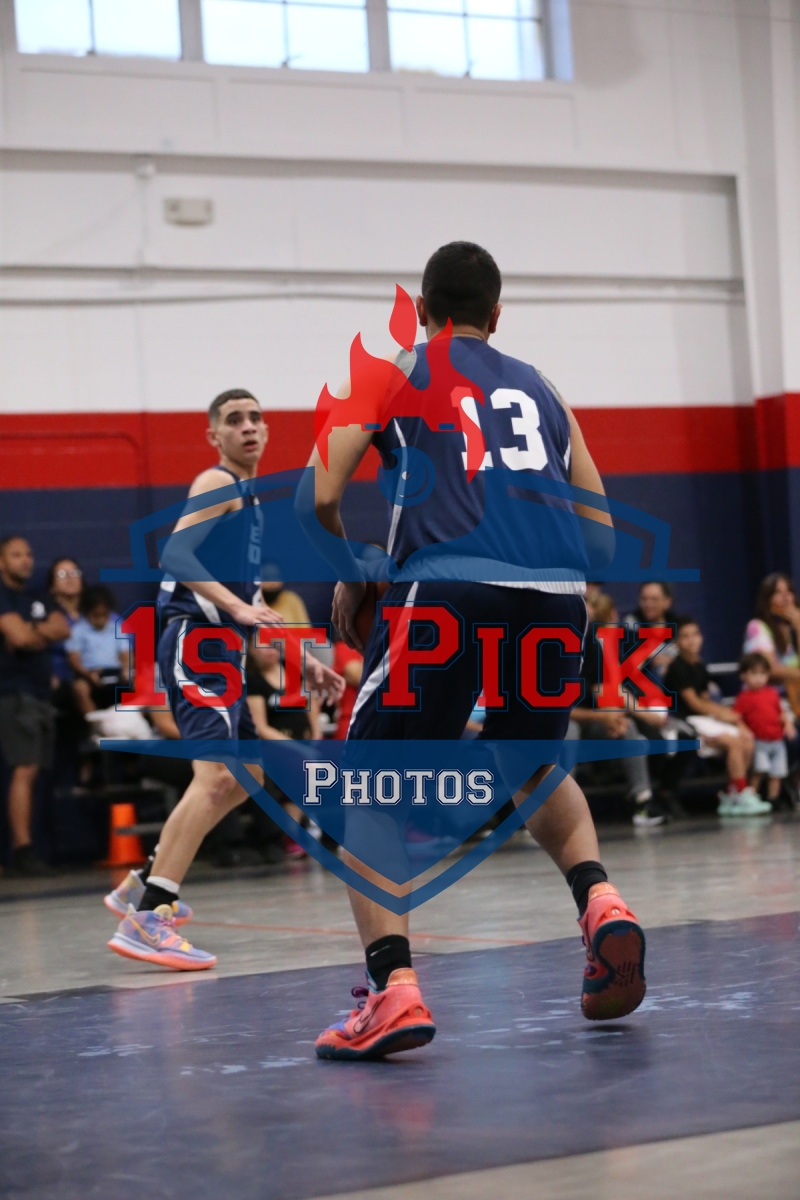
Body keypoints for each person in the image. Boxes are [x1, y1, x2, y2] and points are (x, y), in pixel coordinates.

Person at [308, 241, 648, 1060]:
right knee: (531, 763)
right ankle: (601, 901)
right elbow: (603, 542)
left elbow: (321, 493)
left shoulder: (395, 370)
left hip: (447, 587)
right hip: (556, 595)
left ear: (424, 312)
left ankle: (391, 991)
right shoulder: (544, 388)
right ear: (497, 316)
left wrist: (356, 570)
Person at [106, 388, 343, 969]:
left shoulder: (250, 503)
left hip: (224, 647)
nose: (249, 426)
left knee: (246, 775)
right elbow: (176, 557)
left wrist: (303, 663)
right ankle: (150, 917)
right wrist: (235, 610)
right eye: (235, 420)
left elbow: (252, 605)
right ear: (214, 436)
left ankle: (142, 884)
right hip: (197, 641)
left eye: (256, 417)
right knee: (216, 776)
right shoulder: (217, 483)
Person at [0, 536, 71, 874]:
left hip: (41, 694)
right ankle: (22, 848)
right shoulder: (3, 595)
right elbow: (18, 637)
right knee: (24, 767)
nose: (25, 560)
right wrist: (34, 633)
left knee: (35, 770)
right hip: (14, 693)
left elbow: (62, 628)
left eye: (28, 554)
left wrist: (31, 632)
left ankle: (28, 845)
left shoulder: (38, 596)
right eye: (16, 555)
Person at [569, 593, 669, 828]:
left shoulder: (593, 644)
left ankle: (642, 802)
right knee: (568, 733)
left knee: (627, 727)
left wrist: (612, 717)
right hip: (561, 721)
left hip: (590, 719)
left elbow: (603, 688)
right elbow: (556, 712)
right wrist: (604, 715)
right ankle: (563, 809)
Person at [664, 617, 768, 815]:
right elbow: (694, 703)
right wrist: (722, 714)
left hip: (704, 719)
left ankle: (733, 793)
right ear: (676, 642)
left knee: (746, 739)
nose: (691, 640)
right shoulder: (677, 668)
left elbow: (705, 699)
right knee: (733, 742)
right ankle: (740, 794)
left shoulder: (700, 666)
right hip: (685, 722)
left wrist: (727, 715)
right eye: (685, 636)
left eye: (695, 634)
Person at [734, 652, 795, 806]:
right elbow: (736, 717)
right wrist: (743, 729)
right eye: (754, 674)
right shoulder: (743, 697)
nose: (759, 678)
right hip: (760, 741)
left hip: (777, 741)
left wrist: (788, 724)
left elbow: (781, 713)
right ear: (743, 676)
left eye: (763, 674)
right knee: (759, 770)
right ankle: (750, 797)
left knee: (777, 772)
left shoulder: (772, 693)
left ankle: (773, 798)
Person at [66, 585, 128, 715]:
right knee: (80, 688)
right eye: (96, 615)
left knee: (142, 682)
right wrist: (87, 673)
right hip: (89, 674)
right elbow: (73, 658)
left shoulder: (117, 627)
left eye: (104, 615)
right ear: (86, 612)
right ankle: (96, 723)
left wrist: (126, 668)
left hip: (116, 673)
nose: (100, 619)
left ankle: (131, 720)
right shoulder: (78, 630)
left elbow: (125, 653)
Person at [743, 574, 800, 694]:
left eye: (789, 591)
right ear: (767, 599)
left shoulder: (793, 628)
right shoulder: (756, 626)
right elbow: (769, 669)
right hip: (766, 697)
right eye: (778, 592)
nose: (786, 598)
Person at [624, 581, 679, 678]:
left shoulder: (676, 624)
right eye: (644, 599)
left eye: (654, 599)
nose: (648, 604)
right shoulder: (631, 624)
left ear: (667, 602)